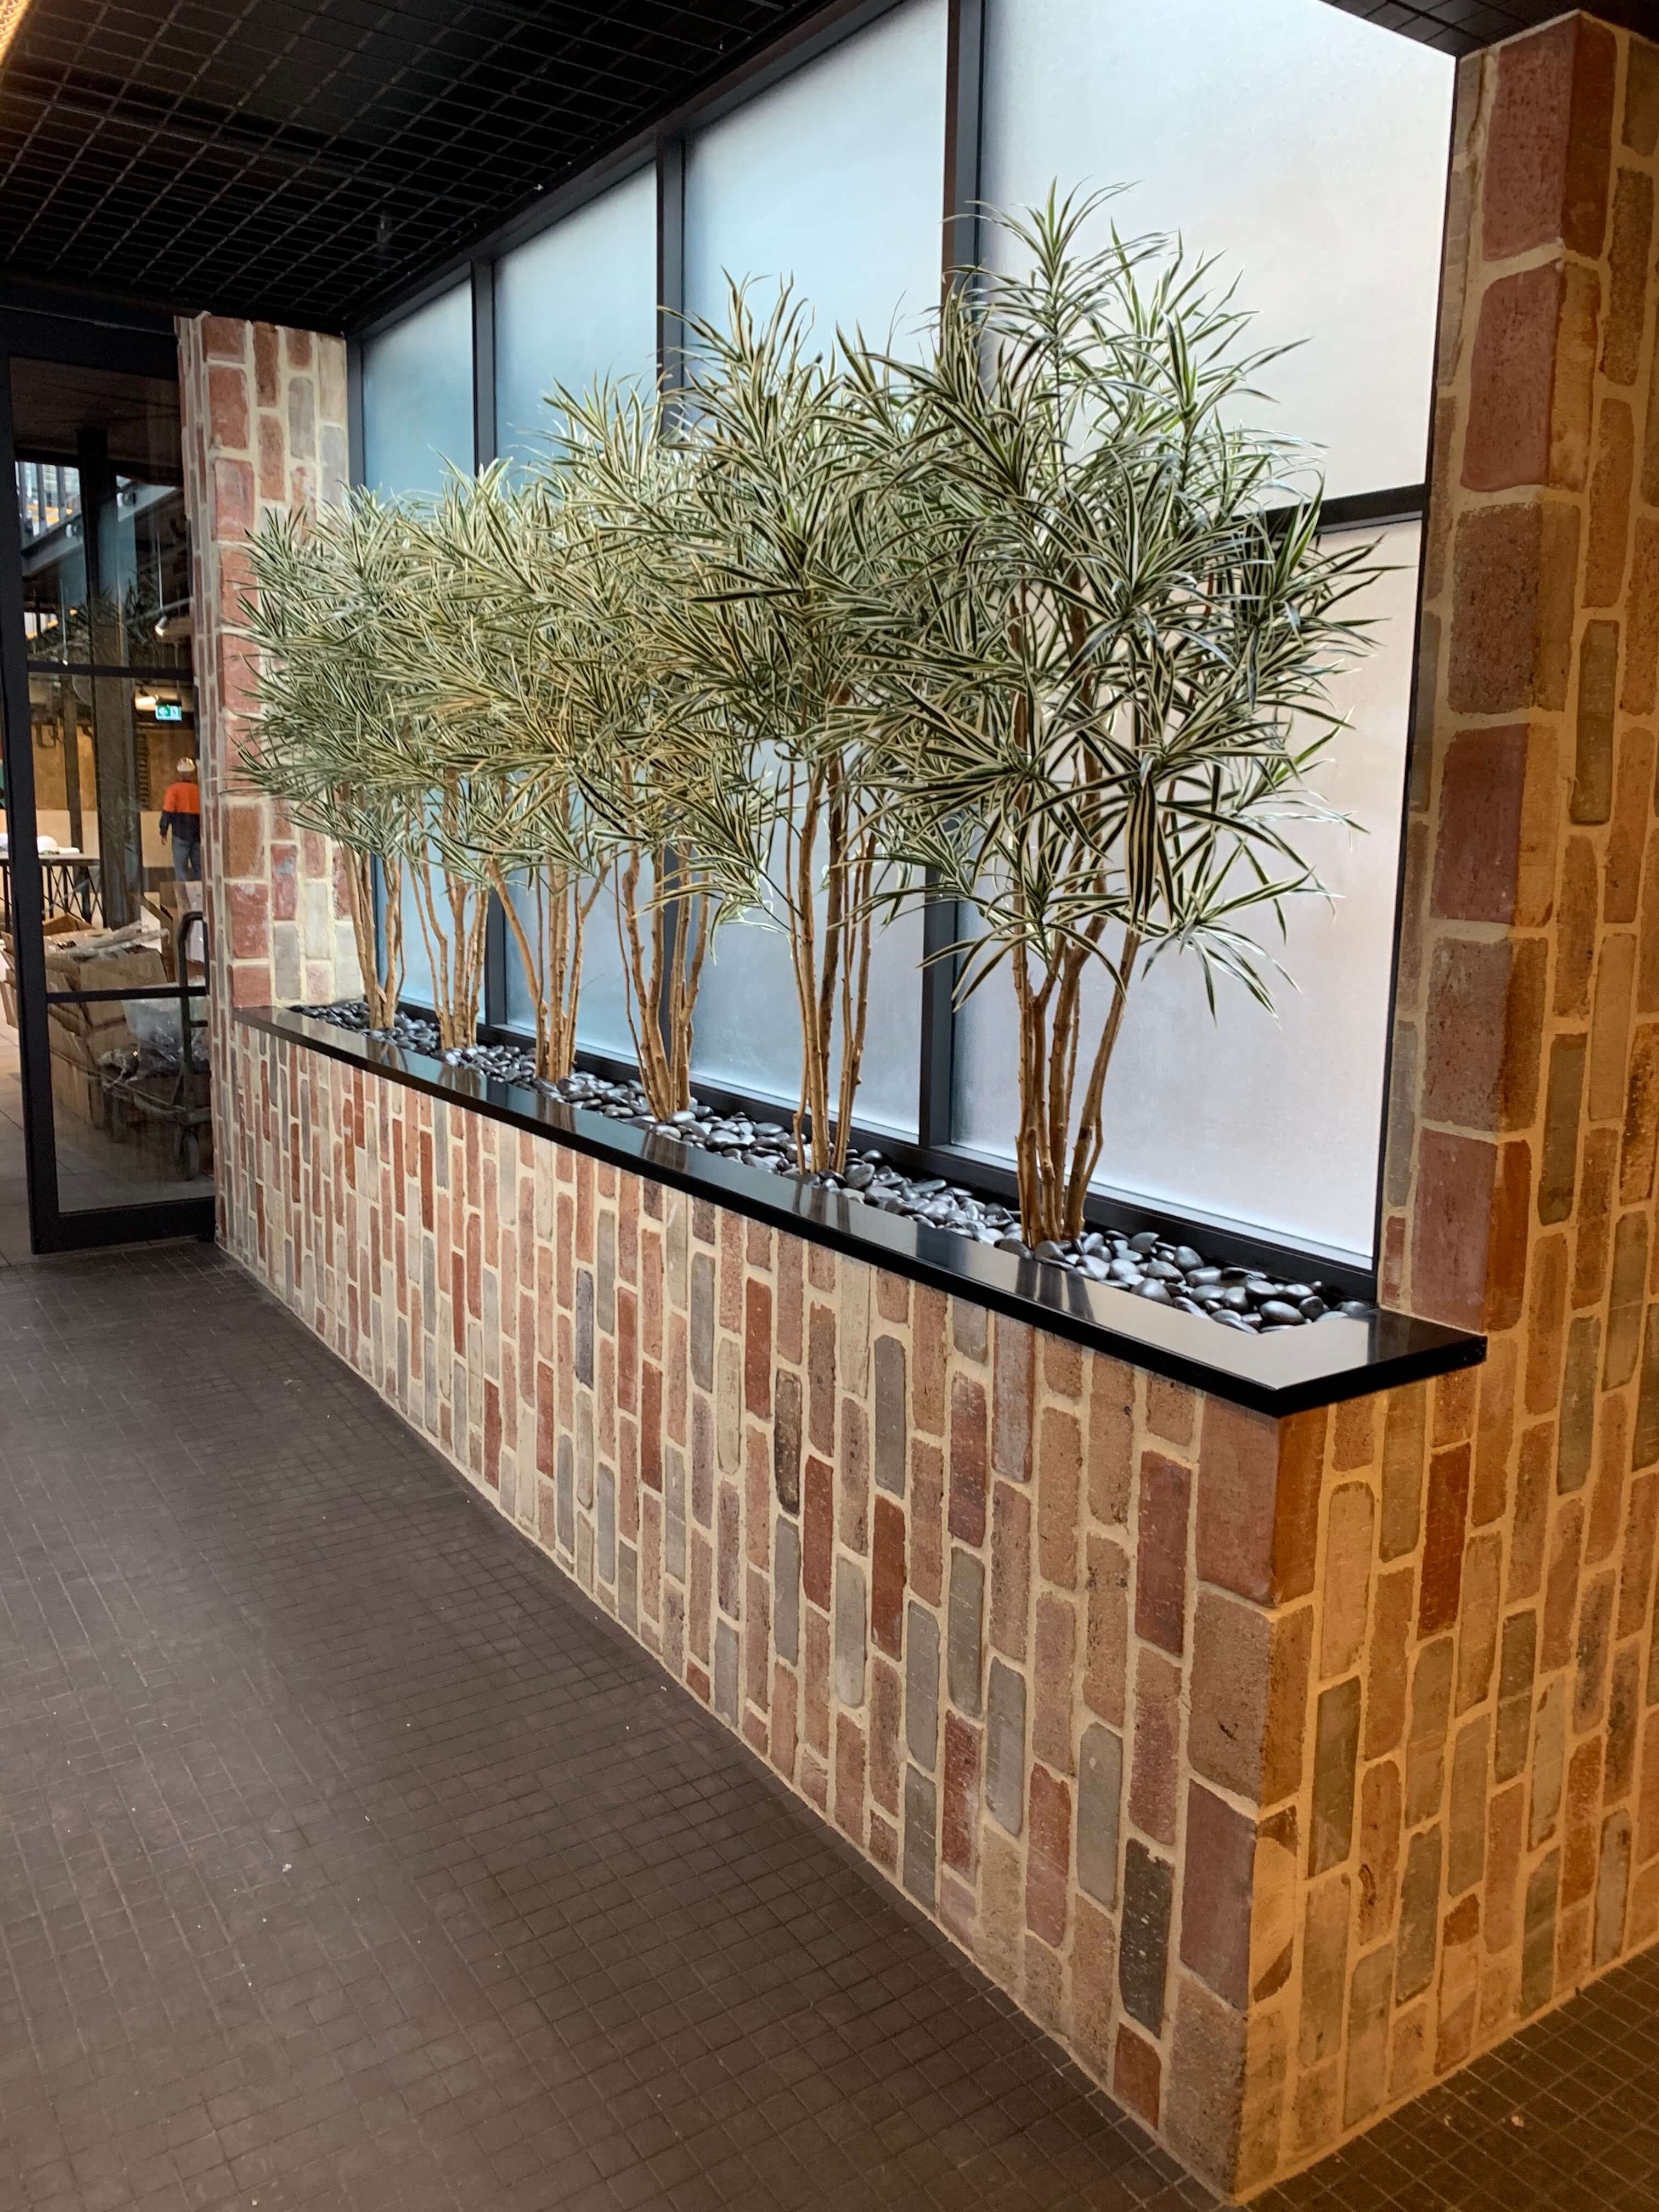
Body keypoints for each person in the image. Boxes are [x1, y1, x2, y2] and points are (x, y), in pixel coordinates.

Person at [159, 757, 202, 881]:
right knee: (199, 870)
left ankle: (183, 900)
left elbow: (167, 812)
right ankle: (201, 899)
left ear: (179, 772)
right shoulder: (198, 790)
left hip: (180, 834)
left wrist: (163, 831)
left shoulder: (173, 790)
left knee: (181, 872)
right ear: (192, 772)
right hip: (197, 835)